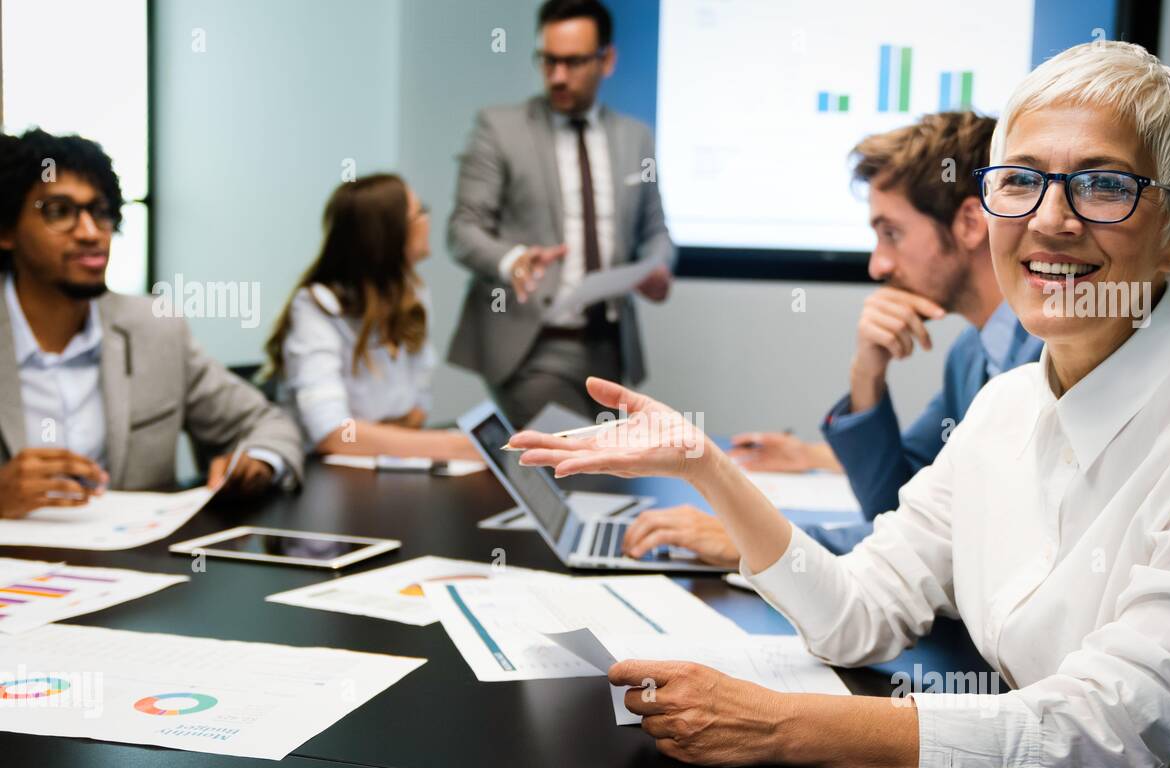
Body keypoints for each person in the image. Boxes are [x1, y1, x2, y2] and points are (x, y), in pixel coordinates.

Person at [508, 42, 1170, 768]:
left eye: (1103, 184)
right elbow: (857, 611)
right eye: (1021, 180)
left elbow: (1104, 730)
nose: (1050, 220)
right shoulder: (1003, 406)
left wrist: (778, 725)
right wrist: (706, 465)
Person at [624, 113, 1042, 564]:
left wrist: (759, 542)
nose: (878, 266)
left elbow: (956, 547)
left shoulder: (1049, 359)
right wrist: (867, 374)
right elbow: (896, 506)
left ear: (968, 223)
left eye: (891, 234)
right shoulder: (972, 354)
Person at [0, 129, 302, 518]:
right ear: (6, 230)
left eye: (101, 212)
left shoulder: (154, 330)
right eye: (59, 212)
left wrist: (257, 461)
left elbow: (268, 424)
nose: (91, 233)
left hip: (136, 566)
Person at [445, 0, 674, 426]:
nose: (558, 76)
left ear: (607, 60)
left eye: (572, 62)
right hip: (532, 342)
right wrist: (512, 260)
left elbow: (657, 230)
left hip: (608, 343)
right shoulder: (499, 128)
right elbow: (463, 229)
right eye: (548, 61)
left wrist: (659, 266)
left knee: (606, 476)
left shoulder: (635, 138)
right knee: (568, 464)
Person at [264, 174, 478, 461]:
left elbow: (417, 410)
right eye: (420, 212)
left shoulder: (414, 292)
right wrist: (460, 448)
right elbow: (333, 434)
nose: (428, 219)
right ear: (390, 234)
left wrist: (371, 435)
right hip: (321, 477)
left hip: (381, 466)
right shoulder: (316, 306)